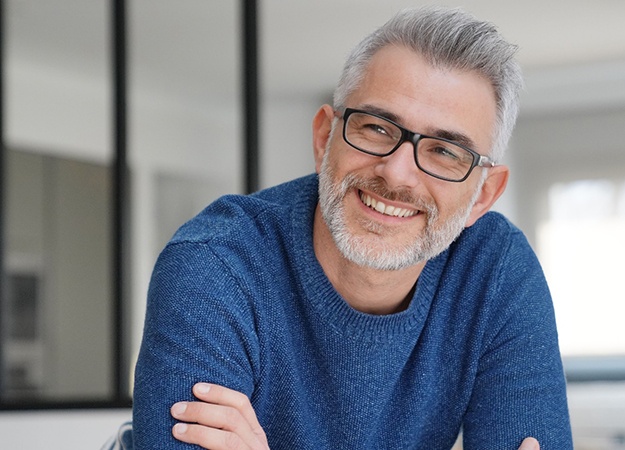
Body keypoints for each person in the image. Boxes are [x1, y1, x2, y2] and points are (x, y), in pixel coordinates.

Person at [132, 6, 573, 449]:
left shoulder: (496, 271)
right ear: (325, 138)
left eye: (444, 152)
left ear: (483, 195)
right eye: (377, 128)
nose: (398, 174)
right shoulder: (214, 266)